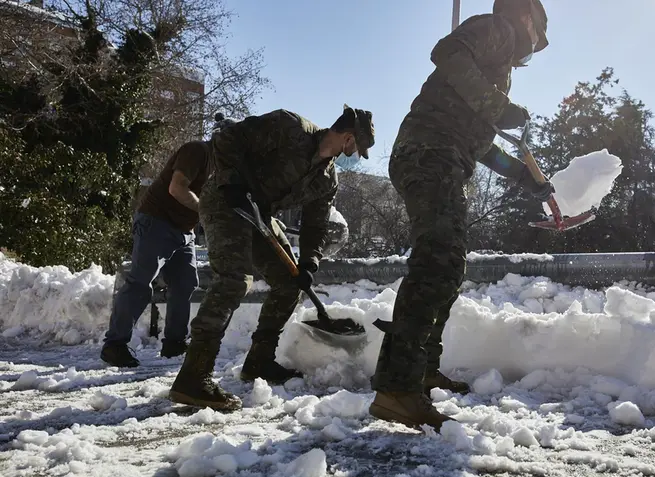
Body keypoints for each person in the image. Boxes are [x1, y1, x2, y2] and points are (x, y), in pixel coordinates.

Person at [369, 0, 554, 431]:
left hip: (443, 156)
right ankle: (397, 389)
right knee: (436, 261)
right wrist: (497, 104)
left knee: (448, 266)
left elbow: (483, 146)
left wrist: (527, 179)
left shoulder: (496, 67)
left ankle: (420, 371)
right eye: (537, 32)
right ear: (526, 15)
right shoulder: (498, 29)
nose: (531, 46)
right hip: (430, 153)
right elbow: (447, 52)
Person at [168, 105, 375, 411]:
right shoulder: (289, 126)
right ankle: (193, 377)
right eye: (356, 149)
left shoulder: (327, 179)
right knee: (233, 280)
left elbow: (316, 224)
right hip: (227, 201)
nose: (354, 156)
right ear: (347, 138)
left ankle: (259, 361)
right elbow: (228, 139)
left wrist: (309, 262)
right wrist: (233, 180)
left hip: (259, 216)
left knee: (290, 284)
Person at [100, 114, 235, 367]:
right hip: (156, 221)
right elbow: (177, 188)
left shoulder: (221, 168)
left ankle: (174, 343)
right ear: (222, 140)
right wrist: (206, 210)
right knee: (141, 281)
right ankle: (114, 345)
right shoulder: (197, 151)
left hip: (184, 231)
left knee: (185, 282)